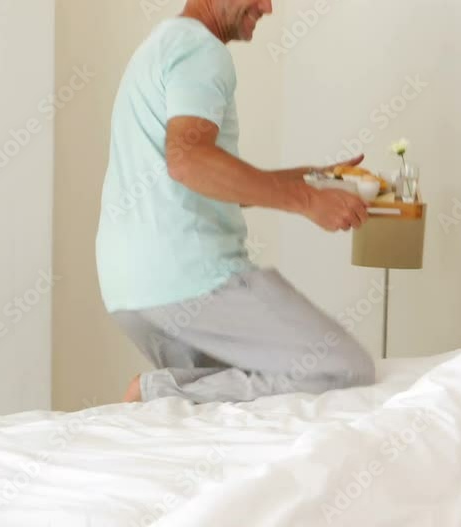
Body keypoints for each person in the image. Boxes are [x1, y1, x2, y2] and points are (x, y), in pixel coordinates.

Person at [95, 0, 375, 403]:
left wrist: (312, 179)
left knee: (232, 400)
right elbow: (189, 162)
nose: (268, 7)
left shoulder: (161, 45)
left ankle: (163, 395)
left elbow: (198, 179)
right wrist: (307, 200)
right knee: (341, 367)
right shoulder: (201, 50)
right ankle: (156, 391)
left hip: (132, 291)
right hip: (192, 280)